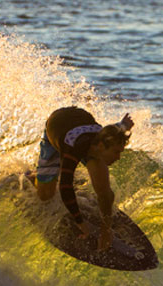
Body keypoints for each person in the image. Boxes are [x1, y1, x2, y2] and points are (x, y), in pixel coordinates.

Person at [33, 106, 134, 251]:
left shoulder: (105, 138)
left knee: (103, 189)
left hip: (80, 121)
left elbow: (113, 129)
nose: (118, 158)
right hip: (56, 126)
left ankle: (106, 227)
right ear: (100, 146)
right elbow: (65, 187)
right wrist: (80, 223)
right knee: (45, 195)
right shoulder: (72, 148)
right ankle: (33, 176)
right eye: (116, 152)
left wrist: (106, 231)